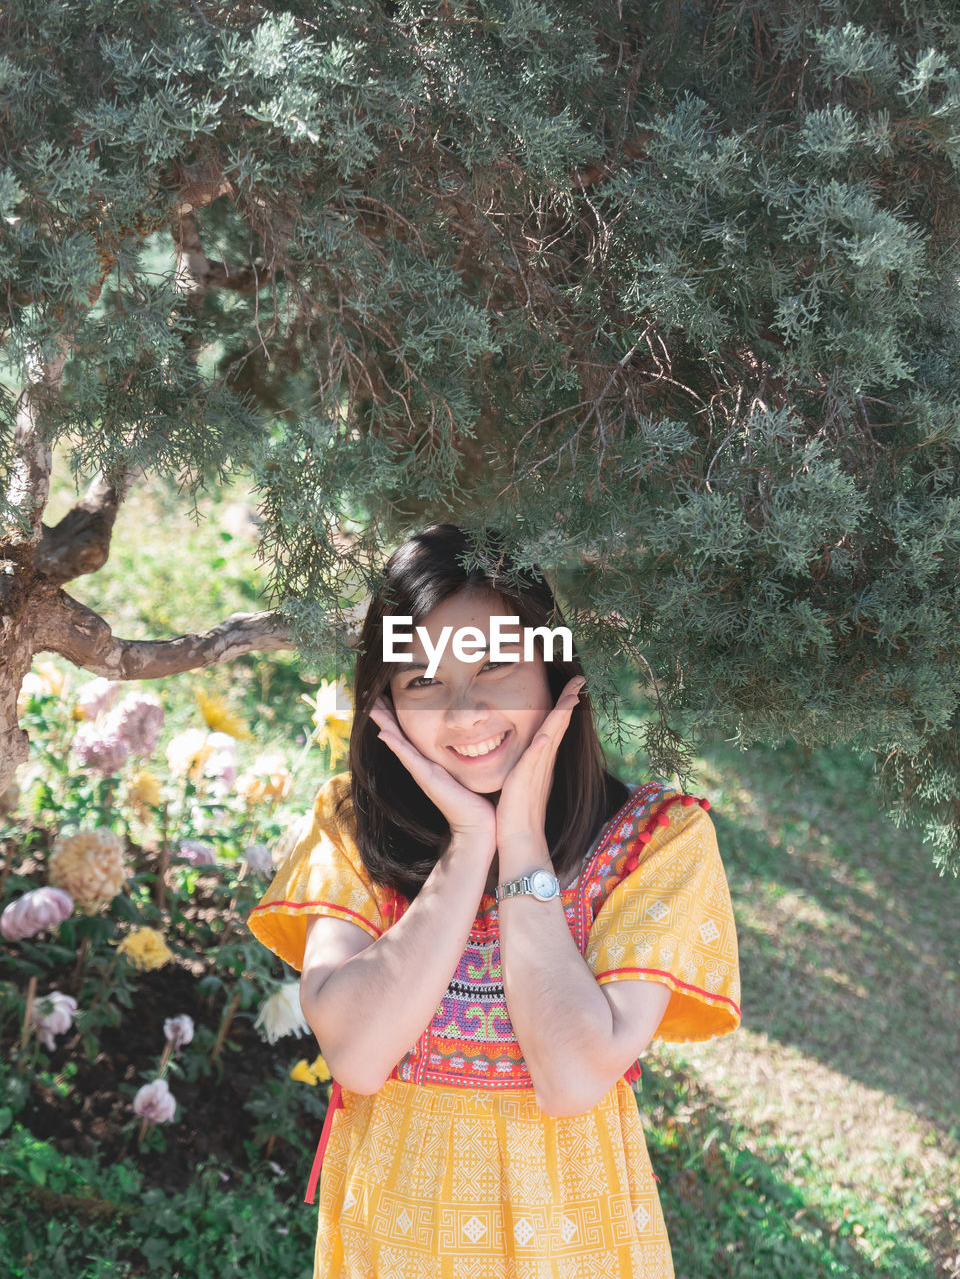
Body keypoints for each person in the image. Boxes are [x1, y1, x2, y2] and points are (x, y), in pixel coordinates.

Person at [247, 524, 741, 1279]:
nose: (466, 711)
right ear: (384, 704)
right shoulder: (353, 827)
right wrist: (469, 842)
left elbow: (574, 1077)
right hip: (393, 1247)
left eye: (497, 665)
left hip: (574, 1250)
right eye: (423, 682)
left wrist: (521, 842)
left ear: (553, 667)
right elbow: (357, 1054)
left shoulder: (657, 843)